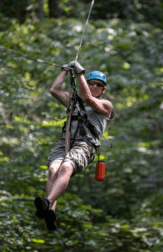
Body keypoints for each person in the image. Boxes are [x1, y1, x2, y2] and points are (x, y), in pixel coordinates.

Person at [34, 61, 114, 230]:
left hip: (85, 145)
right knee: (53, 170)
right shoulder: (74, 101)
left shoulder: (106, 105)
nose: (94, 86)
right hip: (65, 142)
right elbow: (54, 90)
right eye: (91, 83)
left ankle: (47, 202)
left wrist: (80, 74)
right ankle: (51, 213)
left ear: (103, 89)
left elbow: (88, 99)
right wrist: (64, 71)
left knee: (65, 168)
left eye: (98, 85)